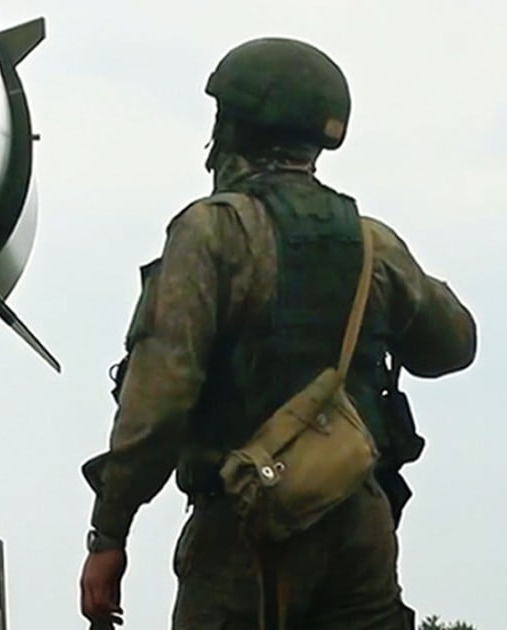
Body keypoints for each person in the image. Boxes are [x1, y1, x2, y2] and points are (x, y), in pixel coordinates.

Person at [78, 38, 477, 629]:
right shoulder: (372, 242)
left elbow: (158, 401)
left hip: (244, 530)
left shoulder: (211, 234)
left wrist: (109, 532)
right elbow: (454, 345)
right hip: (358, 528)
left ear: (233, 129)